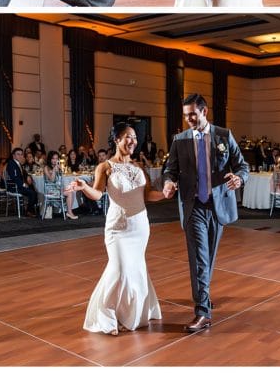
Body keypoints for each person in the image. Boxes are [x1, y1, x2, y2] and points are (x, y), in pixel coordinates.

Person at [162, 93, 249, 333]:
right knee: (199, 257)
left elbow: (242, 165)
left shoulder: (223, 135)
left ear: (204, 111)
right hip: (193, 205)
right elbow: (170, 170)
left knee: (208, 258)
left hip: (218, 205)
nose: (189, 118)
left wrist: (239, 179)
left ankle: (203, 296)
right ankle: (202, 312)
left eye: (193, 113)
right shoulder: (179, 140)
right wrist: (168, 182)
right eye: (185, 115)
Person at [69, 122, 165, 334]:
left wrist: (166, 194)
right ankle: (106, 316)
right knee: (119, 270)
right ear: (117, 140)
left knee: (135, 270)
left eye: (134, 137)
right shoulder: (105, 166)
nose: (133, 141)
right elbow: (98, 194)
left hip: (140, 227)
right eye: (128, 137)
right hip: (118, 228)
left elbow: (147, 194)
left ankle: (131, 314)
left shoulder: (139, 167)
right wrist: (84, 187)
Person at [5, 147, 38, 216]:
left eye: (21, 154)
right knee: (32, 193)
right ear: (13, 155)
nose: (20, 156)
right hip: (14, 187)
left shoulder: (18, 163)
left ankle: (33, 208)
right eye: (18, 154)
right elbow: (15, 177)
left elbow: (23, 172)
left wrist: (28, 176)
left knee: (35, 190)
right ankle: (28, 211)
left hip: (18, 185)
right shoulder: (11, 163)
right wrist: (23, 184)